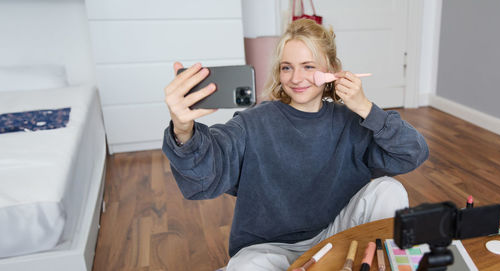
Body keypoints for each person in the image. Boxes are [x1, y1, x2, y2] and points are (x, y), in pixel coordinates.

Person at [162, 19, 429, 270]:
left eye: (308, 66)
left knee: (389, 189)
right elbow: (207, 171)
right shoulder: (252, 122)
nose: (296, 78)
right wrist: (183, 129)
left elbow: (411, 153)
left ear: (332, 70)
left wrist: (366, 108)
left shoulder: (351, 121)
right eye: (287, 67)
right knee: (245, 266)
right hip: (269, 248)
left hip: (335, 236)